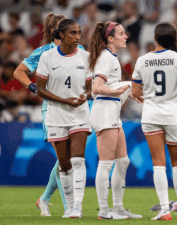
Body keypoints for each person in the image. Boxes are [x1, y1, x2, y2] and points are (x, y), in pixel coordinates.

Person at [12, 13, 87, 217]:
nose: (75, 33)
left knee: (68, 160)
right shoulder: (44, 52)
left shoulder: (80, 51)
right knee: (64, 159)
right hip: (53, 108)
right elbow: (19, 71)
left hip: (77, 108)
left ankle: (49, 200)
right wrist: (33, 87)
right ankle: (66, 207)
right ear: (58, 30)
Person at [132, 22, 177, 221]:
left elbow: (135, 92)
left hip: (151, 115)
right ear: (172, 39)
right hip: (174, 116)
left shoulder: (143, 60)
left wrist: (148, 94)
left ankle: (165, 211)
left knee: (158, 164)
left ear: (156, 38)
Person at [36, 19, 92, 219]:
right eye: (73, 33)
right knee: (64, 164)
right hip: (57, 115)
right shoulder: (47, 57)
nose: (78, 37)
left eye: (78, 33)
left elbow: (89, 86)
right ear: (61, 35)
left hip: (79, 113)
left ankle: (77, 206)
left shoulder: (85, 56)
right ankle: (69, 208)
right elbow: (41, 90)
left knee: (78, 160)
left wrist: (86, 95)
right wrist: (64, 100)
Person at [88, 21, 143, 220]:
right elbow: (97, 88)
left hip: (111, 111)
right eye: (121, 33)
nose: (125, 36)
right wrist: (119, 90)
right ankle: (104, 211)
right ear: (110, 38)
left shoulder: (110, 57)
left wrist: (127, 89)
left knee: (123, 161)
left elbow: (110, 84)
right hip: (104, 111)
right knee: (106, 164)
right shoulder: (106, 58)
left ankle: (118, 207)